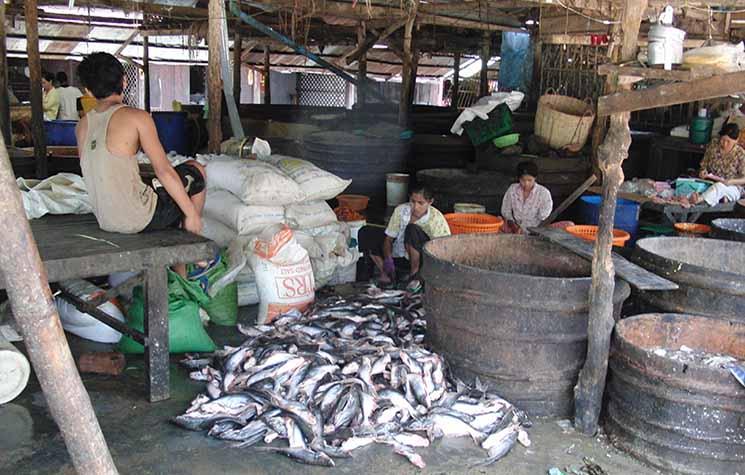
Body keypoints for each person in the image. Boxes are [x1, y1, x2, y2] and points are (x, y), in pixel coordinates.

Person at [75, 52, 206, 273]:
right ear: (124, 81)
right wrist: (192, 215)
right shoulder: (137, 117)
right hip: (139, 218)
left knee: (166, 192)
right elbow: (164, 171)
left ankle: (182, 263)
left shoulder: (81, 126)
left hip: (106, 219)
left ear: (87, 91)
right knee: (196, 171)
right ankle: (190, 252)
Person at [358, 186, 451, 285]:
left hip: (421, 262)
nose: (415, 207)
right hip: (398, 255)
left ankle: (414, 276)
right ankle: (386, 273)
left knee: (412, 229)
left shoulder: (436, 219)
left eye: (421, 203)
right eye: (412, 201)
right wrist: (388, 260)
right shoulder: (401, 210)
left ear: (430, 202)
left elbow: (443, 251)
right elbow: (388, 239)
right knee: (366, 232)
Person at [691, 123, 745, 206]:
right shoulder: (714, 145)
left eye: (728, 141)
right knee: (692, 185)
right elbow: (704, 163)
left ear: (736, 140)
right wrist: (703, 171)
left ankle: (699, 200)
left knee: (719, 187)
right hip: (710, 182)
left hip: (733, 188)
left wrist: (732, 181)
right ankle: (722, 198)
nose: (724, 144)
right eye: (723, 140)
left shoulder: (740, 154)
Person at [501, 161, 553, 234]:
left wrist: (533, 231)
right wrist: (514, 227)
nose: (526, 184)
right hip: (514, 229)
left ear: (535, 178)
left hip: (535, 232)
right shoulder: (512, 189)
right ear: (518, 178)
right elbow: (506, 211)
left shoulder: (543, 193)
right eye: (523, 180)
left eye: (530, 180)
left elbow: (544, 217)